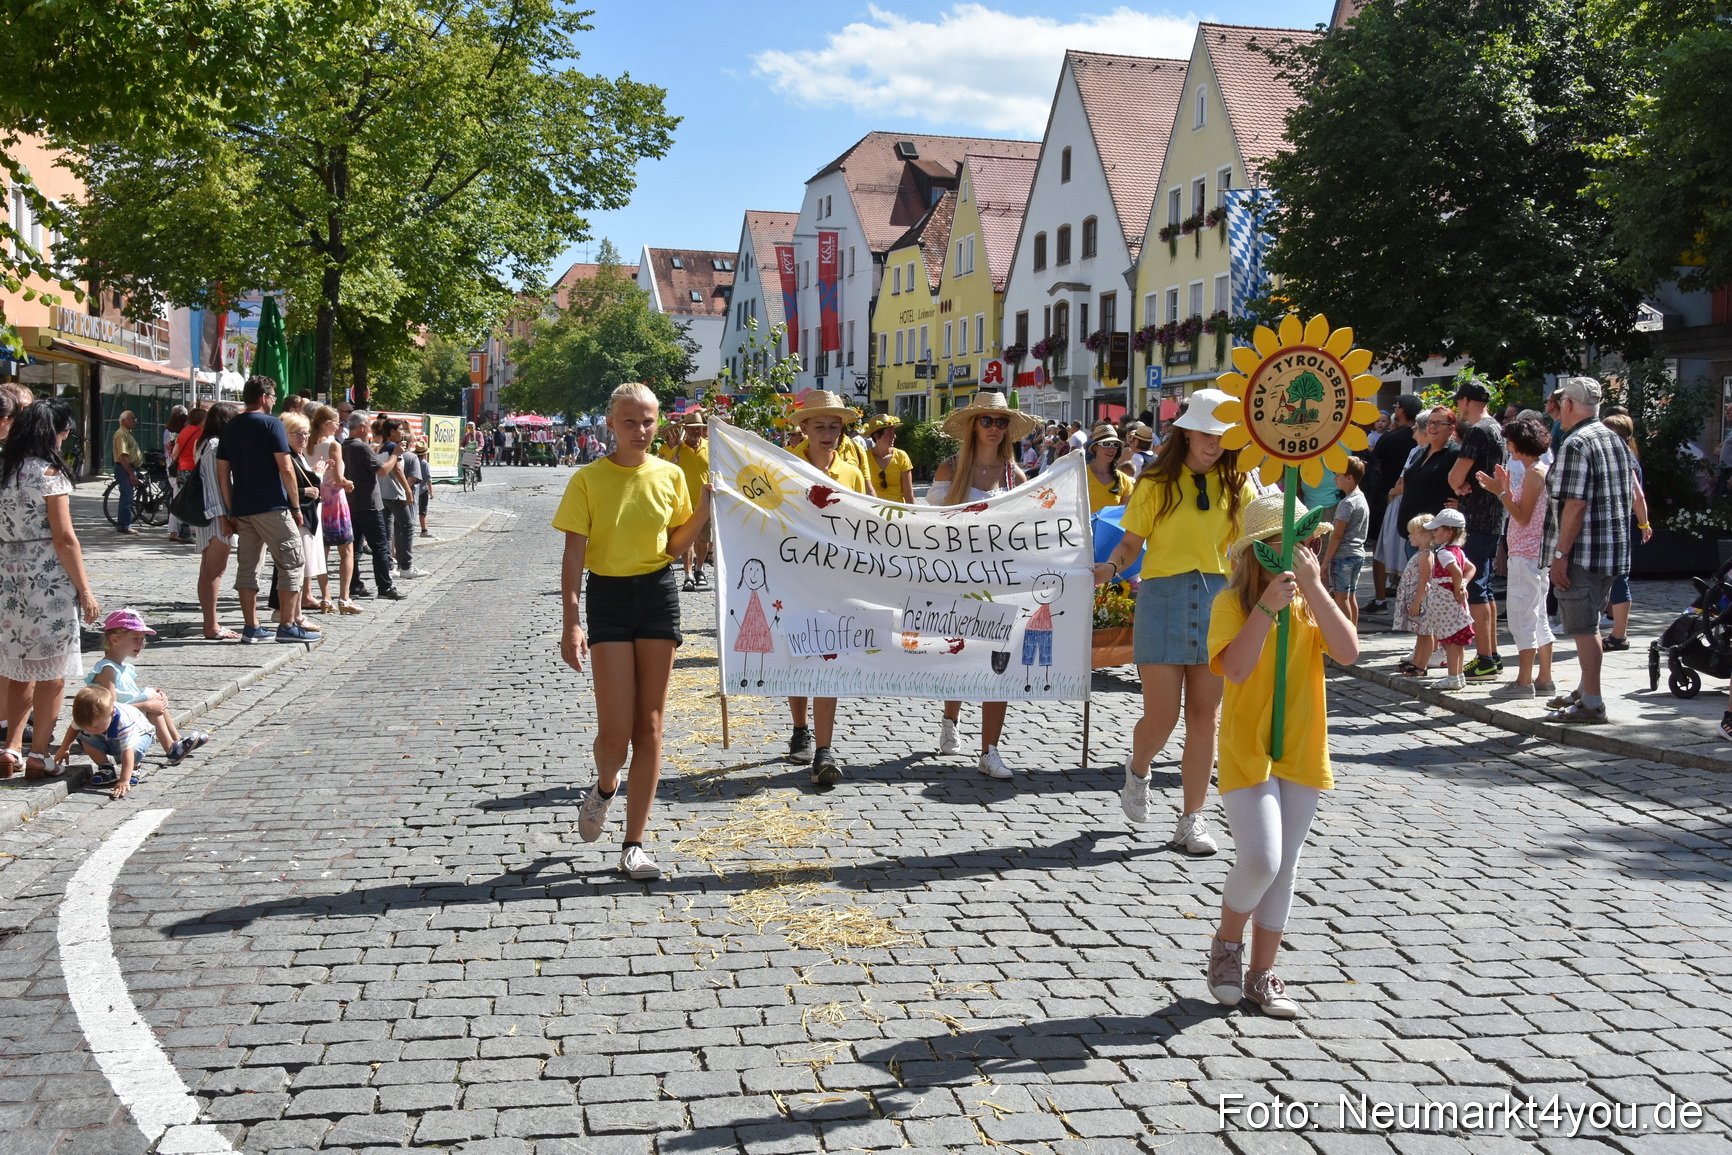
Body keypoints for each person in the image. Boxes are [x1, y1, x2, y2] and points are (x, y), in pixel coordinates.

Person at [1205, 493, 1358, 1019]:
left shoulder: (1310, 602)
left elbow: (1349, 651)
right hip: (1248, 747)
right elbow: (1238, 668)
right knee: (1261, 858)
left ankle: (1261, 975)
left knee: (1286, 865)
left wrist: (1315, 590)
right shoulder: (1230, 604)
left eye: (1306, 542)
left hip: (1301, 743)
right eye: (1285, 544)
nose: (1301, 551)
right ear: (1259, 553)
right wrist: (1267, 608)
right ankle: (1226, 946)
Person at [557, 382, 712, 880]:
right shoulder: (587, 479)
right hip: (608, 597)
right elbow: (574, 555)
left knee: (650, 724)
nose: (640, 430)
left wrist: (707, 507)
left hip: (658, 594)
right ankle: (605, 786)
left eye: (648, 421)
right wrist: (571, 621)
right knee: (616, 732)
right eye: (630, 421)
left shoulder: (669, 475)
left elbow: (674, 545)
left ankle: (634, 844)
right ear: (611, 423)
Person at [1093, 388, 1252, 853]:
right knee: (1160, 719)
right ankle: (1138, 769)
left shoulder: (1238, 484)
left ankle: (1192, 818)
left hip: (1217, 603)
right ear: (1185, 433)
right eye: (1205, 433)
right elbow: (1130, 545)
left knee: (1205, 718)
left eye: (1221, 435)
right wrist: (1109, 568)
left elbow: (1246, 550)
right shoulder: (1155, 482)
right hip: (1162, 597)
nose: (1214, 443)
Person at [931, 391, 1035, 780]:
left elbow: (1027, 532)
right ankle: (950, 718)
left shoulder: (1016, 477)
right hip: (958, 580)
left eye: (1001, 421)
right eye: (986, 420)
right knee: (958, 657)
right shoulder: (950, 469)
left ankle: (990, 749)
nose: (994, 428)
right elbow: (930, 528)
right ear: (973, 425)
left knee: (999, 665)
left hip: (1002, 582)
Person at [0, 400, 100, 781]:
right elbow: (64, 538)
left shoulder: (5, 472)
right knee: (53, 670)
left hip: (10, 576)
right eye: (65, 431)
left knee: (18, 666)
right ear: (52, 432)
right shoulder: (49, 473)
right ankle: (40, 753)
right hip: (48, 578)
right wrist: (86, 591)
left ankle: (10, 746)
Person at [783, 391, 870, 785]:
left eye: (835, 426)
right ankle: (800, 727)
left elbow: (863, 522)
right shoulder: (786, 468)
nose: (828, 433)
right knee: (800, 656)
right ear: (803, 428)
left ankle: (824, 748)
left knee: (829, 658)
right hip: (797, 575)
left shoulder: (850, 472)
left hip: (837, 578)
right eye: (819, 426)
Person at [1541, 378, 1636, 724]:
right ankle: (1584, 690)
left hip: (1582, 552)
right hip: (1611, 549)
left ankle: (1592, 701)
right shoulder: (1614, 438)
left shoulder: (1576, 443)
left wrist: (1560, 555)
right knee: (1591, 623)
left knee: (1584, 628)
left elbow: (1575, 505)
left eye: (1559, 405)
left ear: (1568, 405)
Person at [216, 375, 312, 643]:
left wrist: (230, 508)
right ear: (263, 397)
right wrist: (295, 505)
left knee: (248, 567)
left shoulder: (231, 426)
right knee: (292, 562)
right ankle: (288, 624)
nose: (273, 401)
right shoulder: (272, 424)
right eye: (272, 396)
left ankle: (251, 627)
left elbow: (222, 473)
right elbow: (286, 468)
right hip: (272, 506)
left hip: (243, 508)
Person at [53, 609, 208, 768]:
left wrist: (156, 698)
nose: (141, 643)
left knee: (153, 696)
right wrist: (146, 705)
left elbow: (131, 696)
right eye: (135, 638)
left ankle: (177, 740)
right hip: (116, 721)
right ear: (114, 639)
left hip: (127, 715)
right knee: (150, 699)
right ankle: (171, 748)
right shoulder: (107, 670)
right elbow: (109, 707)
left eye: (142, 638)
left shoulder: (123, 667)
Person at [1477, 415, 1556, 697]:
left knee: (1523, 616)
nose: (1508, 448)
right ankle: (1543, 678)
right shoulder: (1539, 470)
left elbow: (1522, 517)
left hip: (1527, 553)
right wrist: (1504, 490)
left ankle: (1524, 682)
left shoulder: (1536, 473)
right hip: (1532, 553)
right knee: (1537, 616)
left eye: (1510, 443)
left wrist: (1501, 493)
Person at [1448, 378, 1508, 682]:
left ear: (1468, 402)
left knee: (1475, 585)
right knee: (1484, 584)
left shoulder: (1477, 431)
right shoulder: (1496, 428)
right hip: (1495, 512)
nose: (1458, 406)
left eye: (1460, 401)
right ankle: (1492, 655)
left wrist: (1456, 482)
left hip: (1478, 515)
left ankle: (1484, 659)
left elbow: (1455, 475)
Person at [1598, 413, 1653, 652]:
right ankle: (1617, 632)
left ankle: (1619, 635)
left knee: (1619, 578)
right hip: (1624, 523)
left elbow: (1637, 496)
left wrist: (1644, 524)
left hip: (1620, 524)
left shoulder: (1622, 457)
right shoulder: (1627, 455)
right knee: (1616, 577)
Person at [1366, 394, 1423, 613]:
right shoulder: (1421, 445)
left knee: (1381, 550)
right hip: (1411, 499)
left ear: (1400, 412)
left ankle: (1382, 599)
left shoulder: (1391, 439)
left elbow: (1377, 468)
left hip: (1389, 499)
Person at [342, 413, 406, 602]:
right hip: (369, 504)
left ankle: (354, 585)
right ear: (362, 427)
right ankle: (385, 587)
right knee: (379, 547)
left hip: (350, 503)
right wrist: (395, 454)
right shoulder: (361, 447)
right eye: (367, 425)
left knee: (353, 548)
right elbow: (383, 470)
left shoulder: (342, 446)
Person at [191, 403, 241, 640]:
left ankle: (209, 622)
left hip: (209, 514)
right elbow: (214, 486)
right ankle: (211, 625)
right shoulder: (214, 446)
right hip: (214, 516)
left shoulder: (205, 444)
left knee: (208, 571)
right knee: (214, 571)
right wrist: (225, 517)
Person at [1413, 509, 1474, 690]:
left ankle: (1453, 677)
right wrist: (1463, 584)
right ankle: (1458, 675)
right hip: (1452, 602)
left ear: (1449, 532)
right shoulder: (1458, 551)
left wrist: (1457, 587)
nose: (1433, 533)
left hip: (1445, 601)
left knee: (1450, 641)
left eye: (1437, 530)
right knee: (1457, 641)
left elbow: (1455, 570)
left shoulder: (1444, 552)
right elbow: (1470, 569)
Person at [281, 412, 331, 622]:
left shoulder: (298, 455)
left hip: (307, 516)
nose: (303, 438)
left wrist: (315, 475)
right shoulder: (287, 456)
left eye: (306, 434)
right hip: (297, 517)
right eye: (298, 434)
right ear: (286, 435)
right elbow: (286, 488)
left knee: (303, 566)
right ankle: (295, 615)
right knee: (297, 567)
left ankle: (294, 613)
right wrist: (313, 482)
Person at [310, 406, 359, 615]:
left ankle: (325, 596)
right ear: (326, 424)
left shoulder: (308, 444)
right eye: (337, 422)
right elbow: (339, 478)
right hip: (335, 501)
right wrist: (348, 482)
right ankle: (344, 597)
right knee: (346, 550)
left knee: (322, 552)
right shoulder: (333, 445)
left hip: (316, 501)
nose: (340, 426)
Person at [1318, 457, 1369, 627]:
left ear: (1350, 477)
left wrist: (1325, 562)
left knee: (1341, 598)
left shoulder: (1346, 503)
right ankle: (1353, 634)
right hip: (1357, 554)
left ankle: (1346, 636)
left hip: (1343, 556)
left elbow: (1337, 535)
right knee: (1351, 596)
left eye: (1338, 475)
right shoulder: (1361, 498)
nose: (1334, 479)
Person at [669, 412, 713, 590]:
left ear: (703, 430)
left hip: (705, 502)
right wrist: (672, 462)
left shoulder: (711, 448)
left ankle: (699, 569)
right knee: (687, 540)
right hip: (684, 503)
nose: (695, 432)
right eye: (692, 429)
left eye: (698, 429)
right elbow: (670, 474)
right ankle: (687, 575)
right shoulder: (677, 450)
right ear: (686, 431)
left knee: (703, 540)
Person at [1391, 514, 1435, 676]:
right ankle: (1416, 661)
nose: (1409, 536)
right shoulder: (1420, 554)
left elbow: (1424, 581)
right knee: (1420, 633)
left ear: (1424, 535)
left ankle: (1422, 666)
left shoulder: (1426, 556)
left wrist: (1417, 603)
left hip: (1423, 600)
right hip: (1416, 599)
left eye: (1412, 533)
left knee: (1426, 633)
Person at [385, 424, 425, 579]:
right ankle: (405, 565)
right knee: (407, 528)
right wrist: (406, 490)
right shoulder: (411, 457)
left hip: (386, 496)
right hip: (402, 498)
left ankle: (390, 564)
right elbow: (412, 477)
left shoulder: (384, 450)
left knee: (391, 531)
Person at [170, 408, 204, 545]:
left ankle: (183, 532)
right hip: (193, 470)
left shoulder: (184, 431)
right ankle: (193, 532)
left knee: (184, 501)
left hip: (181, 469)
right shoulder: (200, 433)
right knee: (194, 501)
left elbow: (175, 452)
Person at [864, 414, 914, 504]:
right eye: (889, 432)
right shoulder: (865, 457)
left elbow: (908, 492)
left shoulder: (901, 456)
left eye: (894, 432)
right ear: (877, 436)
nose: (894, 436)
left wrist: (913, 514)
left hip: (898, 512)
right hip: (874, 512)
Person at [1084, 425, 1129, 513]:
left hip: (1109, 527)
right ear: (1095, 447)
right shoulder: (1081, 475)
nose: (1112, 449)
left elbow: (1124, 515)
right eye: (1106, 444)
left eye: (1115, 445)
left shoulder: (1123, 480)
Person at [112, 408, 141, 535]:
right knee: (127, 498)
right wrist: (131, 474)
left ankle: (124, 524)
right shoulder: (121, 434)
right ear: (124, 420)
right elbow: (122, 456)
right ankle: (124, 525)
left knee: (127, 497)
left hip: (128, 467)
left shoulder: (127, 433)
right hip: (123, 468)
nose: (135, 420)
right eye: (132, 418)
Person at [163, 406, 188, 543]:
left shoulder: (169, 434)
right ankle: (176, 530)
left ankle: (173, 530)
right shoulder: (178, 436)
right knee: (179, 499)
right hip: (179, 469)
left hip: (172, 468)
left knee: (176, 497)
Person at [415, 441, 434, 537]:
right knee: (423, 511)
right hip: (422, 490)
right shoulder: (424, 463)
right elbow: (428, 479)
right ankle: (424, 530)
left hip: (413, 490)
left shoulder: (413, 461)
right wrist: (431, 492)